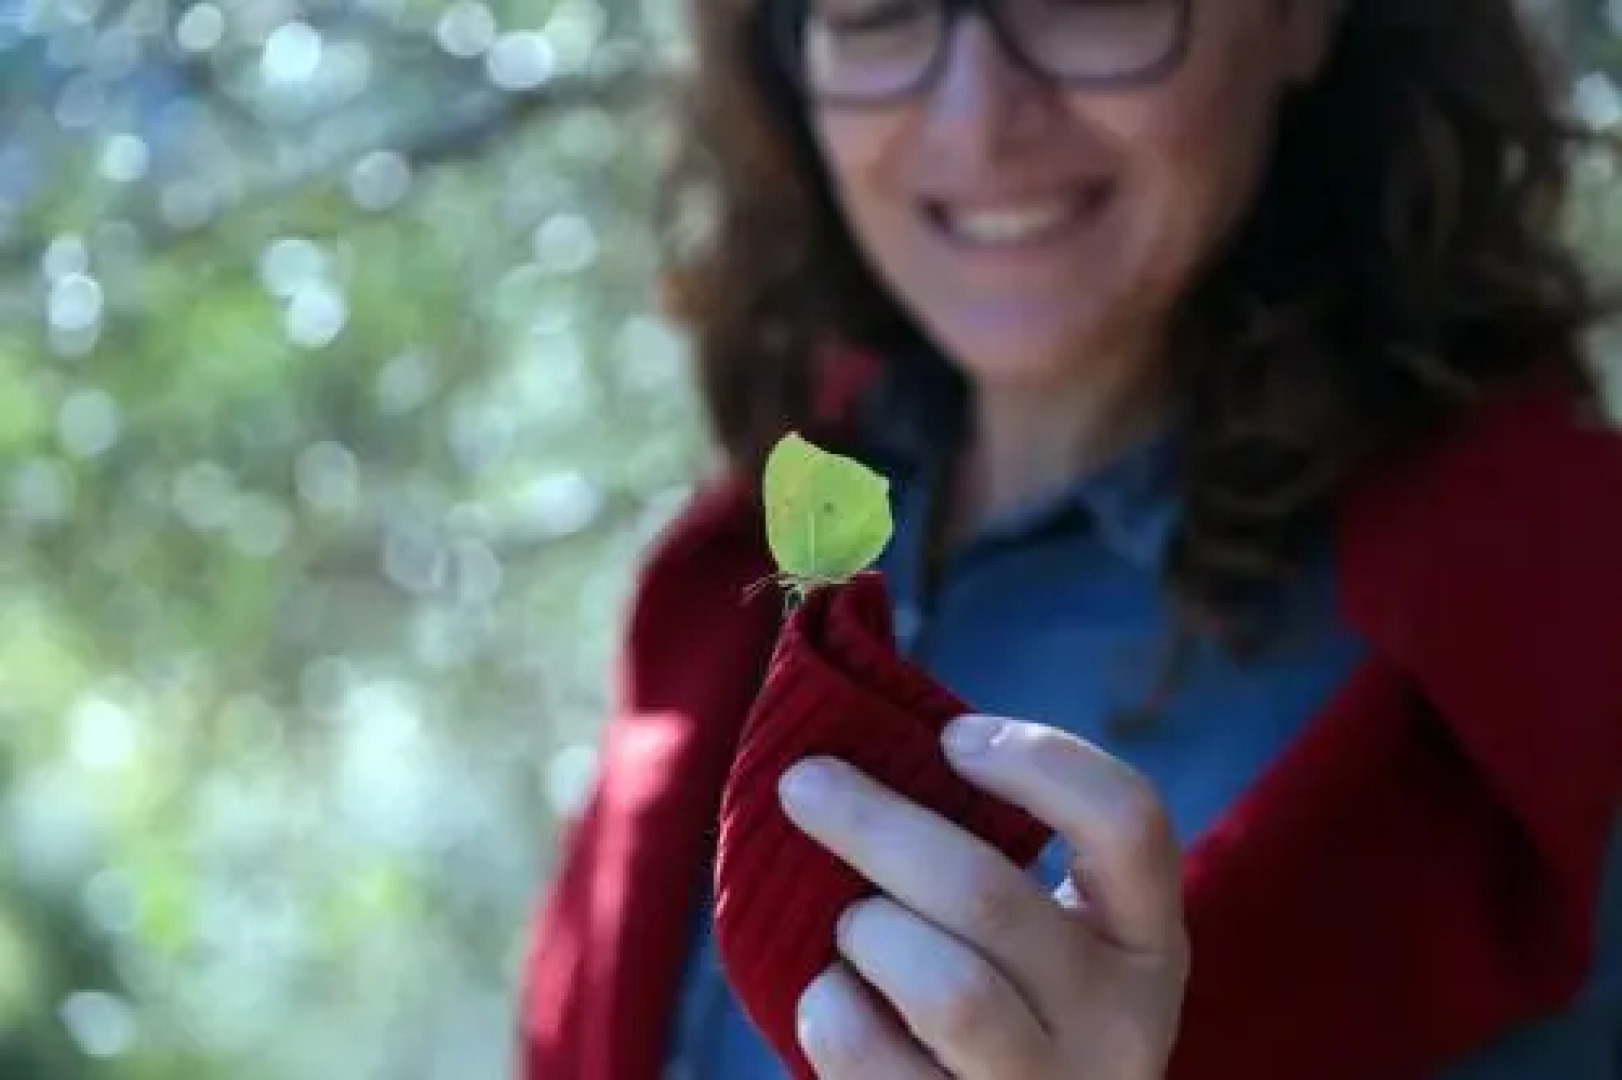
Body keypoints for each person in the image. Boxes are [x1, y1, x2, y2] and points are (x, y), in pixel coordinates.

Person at [519, 0, 1622, 1076]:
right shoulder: (709, 591)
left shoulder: (1560, 620)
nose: (976, 119)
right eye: (880, 11)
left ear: (1299, 17)